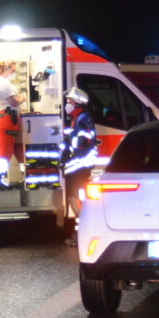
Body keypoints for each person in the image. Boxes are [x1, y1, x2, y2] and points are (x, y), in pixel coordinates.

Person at [60, 87, 96, 247]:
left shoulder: (82, 119)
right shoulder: (79, 118)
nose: (68, 104)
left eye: (70, 102)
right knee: (75, 200)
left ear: (78, 104)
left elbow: (82, 142)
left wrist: (69, 147)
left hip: (79, 166)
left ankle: (82, 235)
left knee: (77, 200)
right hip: (77, 166)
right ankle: (80, 234)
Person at [0, 61, 23, 188]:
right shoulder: (3, 82)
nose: (14, 73)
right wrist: (22, 99)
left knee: (7, 149)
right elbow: (14, 102)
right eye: (13, 70)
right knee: (5, 151)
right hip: (6, 118)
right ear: (6, 69)